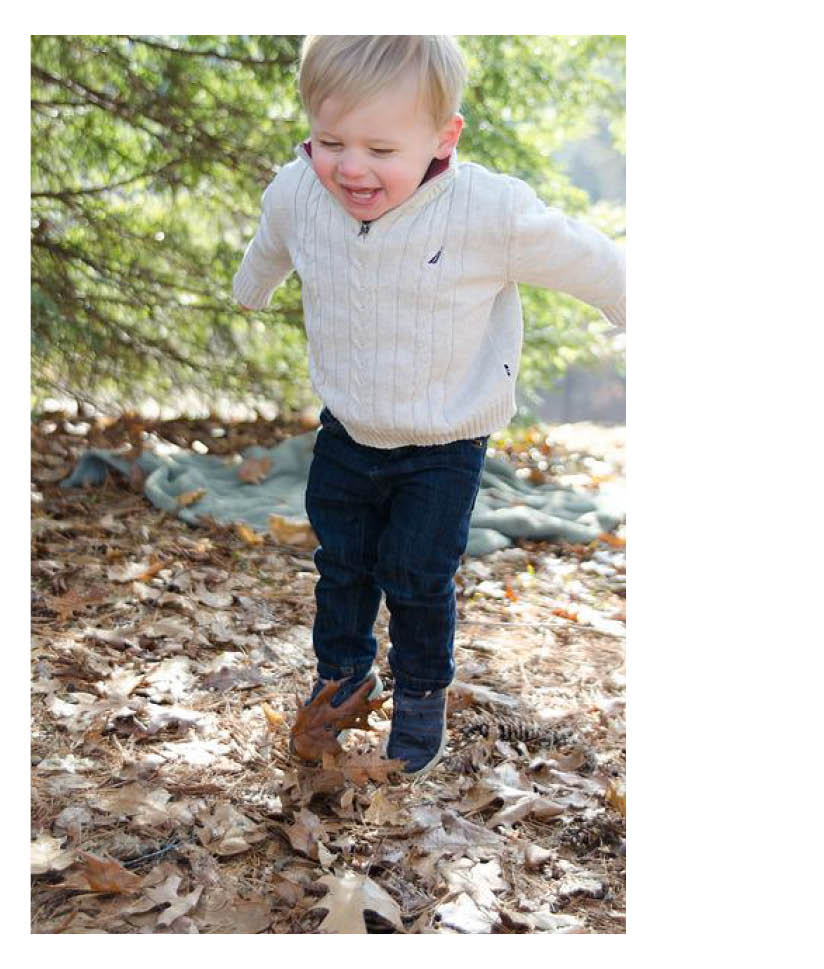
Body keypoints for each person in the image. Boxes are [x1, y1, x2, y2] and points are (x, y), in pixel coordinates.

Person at [233, 35, 625, 776]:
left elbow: (583, 255)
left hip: (446, 439)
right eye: (330, 140)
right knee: (341, 561)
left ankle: (420, 692)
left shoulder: (487, 210)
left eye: (381, 148)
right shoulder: (299, 190)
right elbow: (274, 239)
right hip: (348, 427)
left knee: (415, 572)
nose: (351, 167)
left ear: (443, 139)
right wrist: (252, 286)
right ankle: (343, 676)